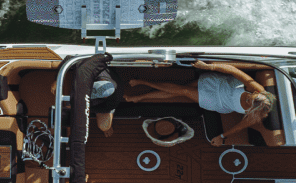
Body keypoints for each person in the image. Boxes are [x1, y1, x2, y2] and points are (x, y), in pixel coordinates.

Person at [125, 60, 274, 145]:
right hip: (217, 83)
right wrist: (209, 67)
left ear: (254, 109)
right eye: (252, 95)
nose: (250, 96)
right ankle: (139, 97)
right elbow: (234, 71)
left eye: (249, 100)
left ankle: (143, 83)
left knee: (182, 90)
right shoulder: (257, 89)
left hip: (215, 101)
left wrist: (222, 137)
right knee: (177, 91)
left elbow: (239, 127)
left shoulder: (255, 115)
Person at [90, 69, 122, 137]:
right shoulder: (98, 73)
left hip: (102, 103)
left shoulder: (115, 99)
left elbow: (105, 108)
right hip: (92, 81)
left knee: (104, 126)